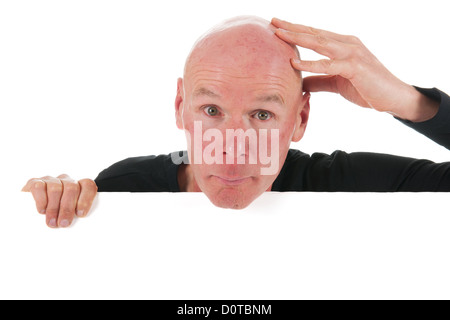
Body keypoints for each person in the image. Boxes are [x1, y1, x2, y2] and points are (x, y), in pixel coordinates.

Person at [22, 16, 450, 228]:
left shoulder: (347, 184)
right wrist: (44, 205)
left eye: (262, 114)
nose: (233, 144)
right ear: (179, 106)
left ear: (300, 119)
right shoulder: (127, 186)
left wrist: (407, 100)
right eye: (211, 111)